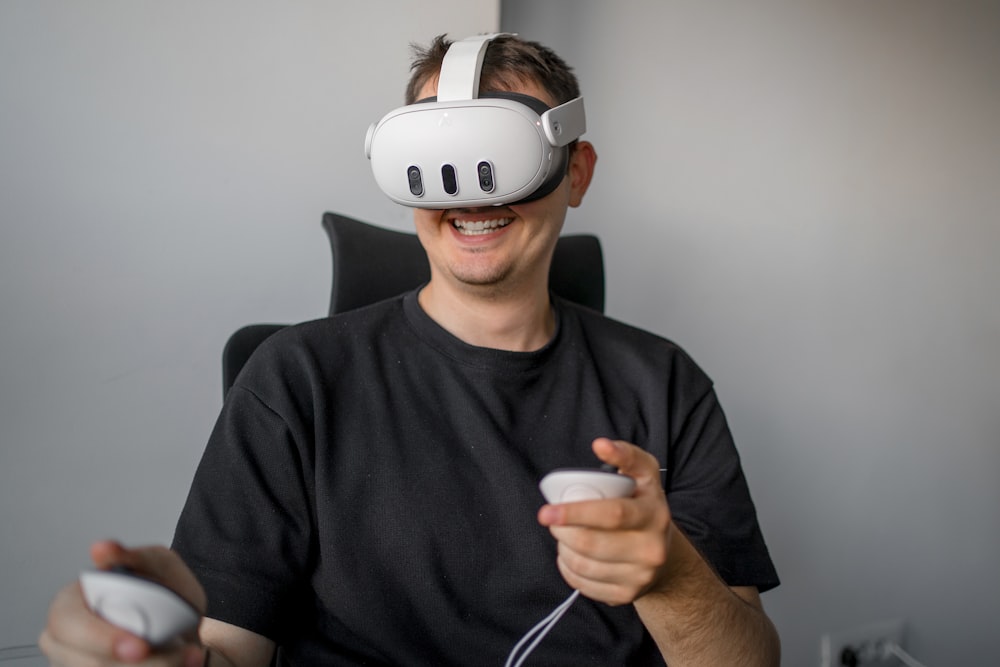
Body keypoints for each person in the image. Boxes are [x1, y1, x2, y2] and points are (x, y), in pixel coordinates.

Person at [40, 34, 780, 666]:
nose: (470, 196)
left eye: (498, 158)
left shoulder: (665, 383)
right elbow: (230, 646)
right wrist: (165, 654)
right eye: (435, 160)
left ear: (575, 170)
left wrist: (669, 577)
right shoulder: (294, 382)